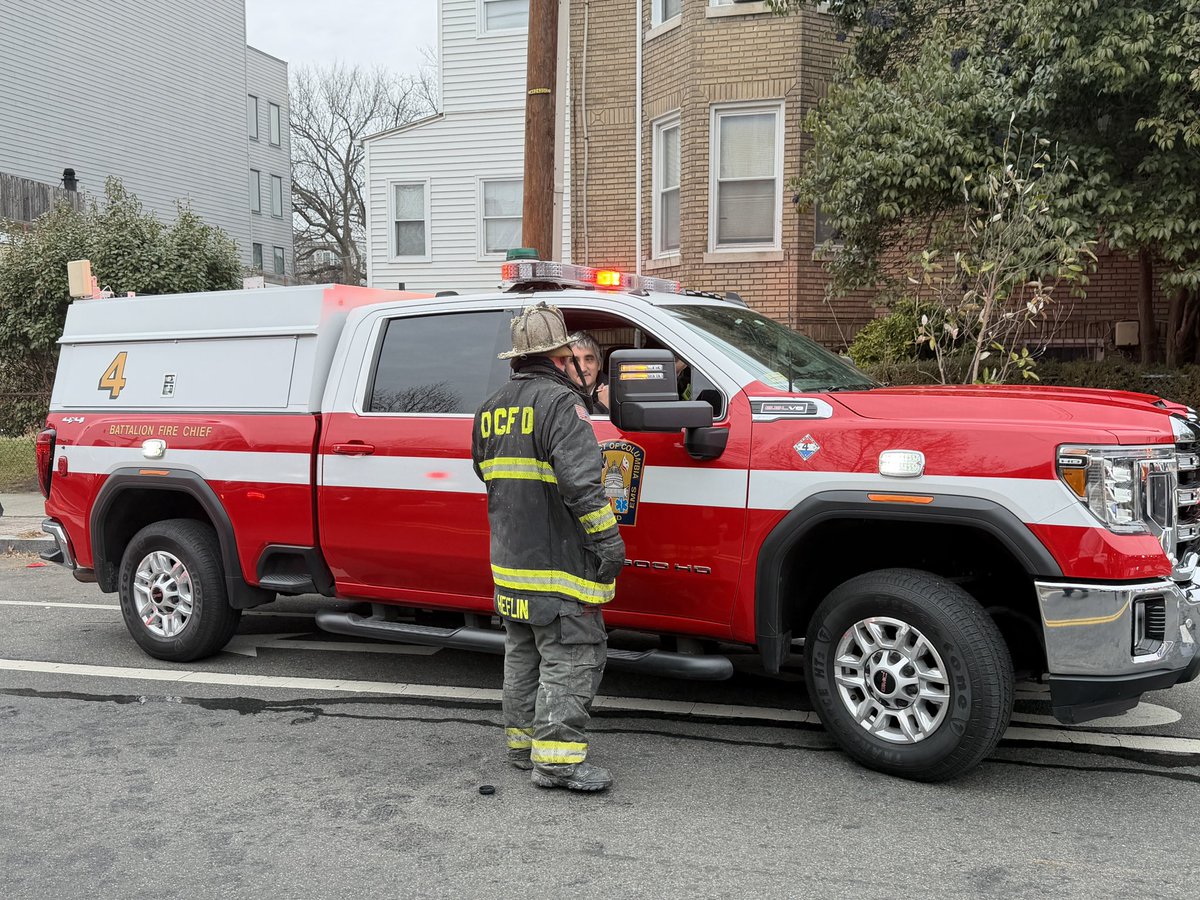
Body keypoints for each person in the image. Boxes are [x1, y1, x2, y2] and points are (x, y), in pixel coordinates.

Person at [471, 303, 626, 792]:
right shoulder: (562, 406)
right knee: (573, 653)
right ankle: (558, 761)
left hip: (512, 561)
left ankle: (523, 746)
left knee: (523, 653)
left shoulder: (492, 407)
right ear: (560, 358)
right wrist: (608, 542)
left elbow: (485, 472)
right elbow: (582, 484)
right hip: (558, 565)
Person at [568, 332, 610, 414]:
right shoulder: (558, 396)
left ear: (599, 364)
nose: (583, 369)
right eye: (574, 361)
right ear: (564, 366)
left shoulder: (614, 395)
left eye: (589, 359)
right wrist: (602, 406)